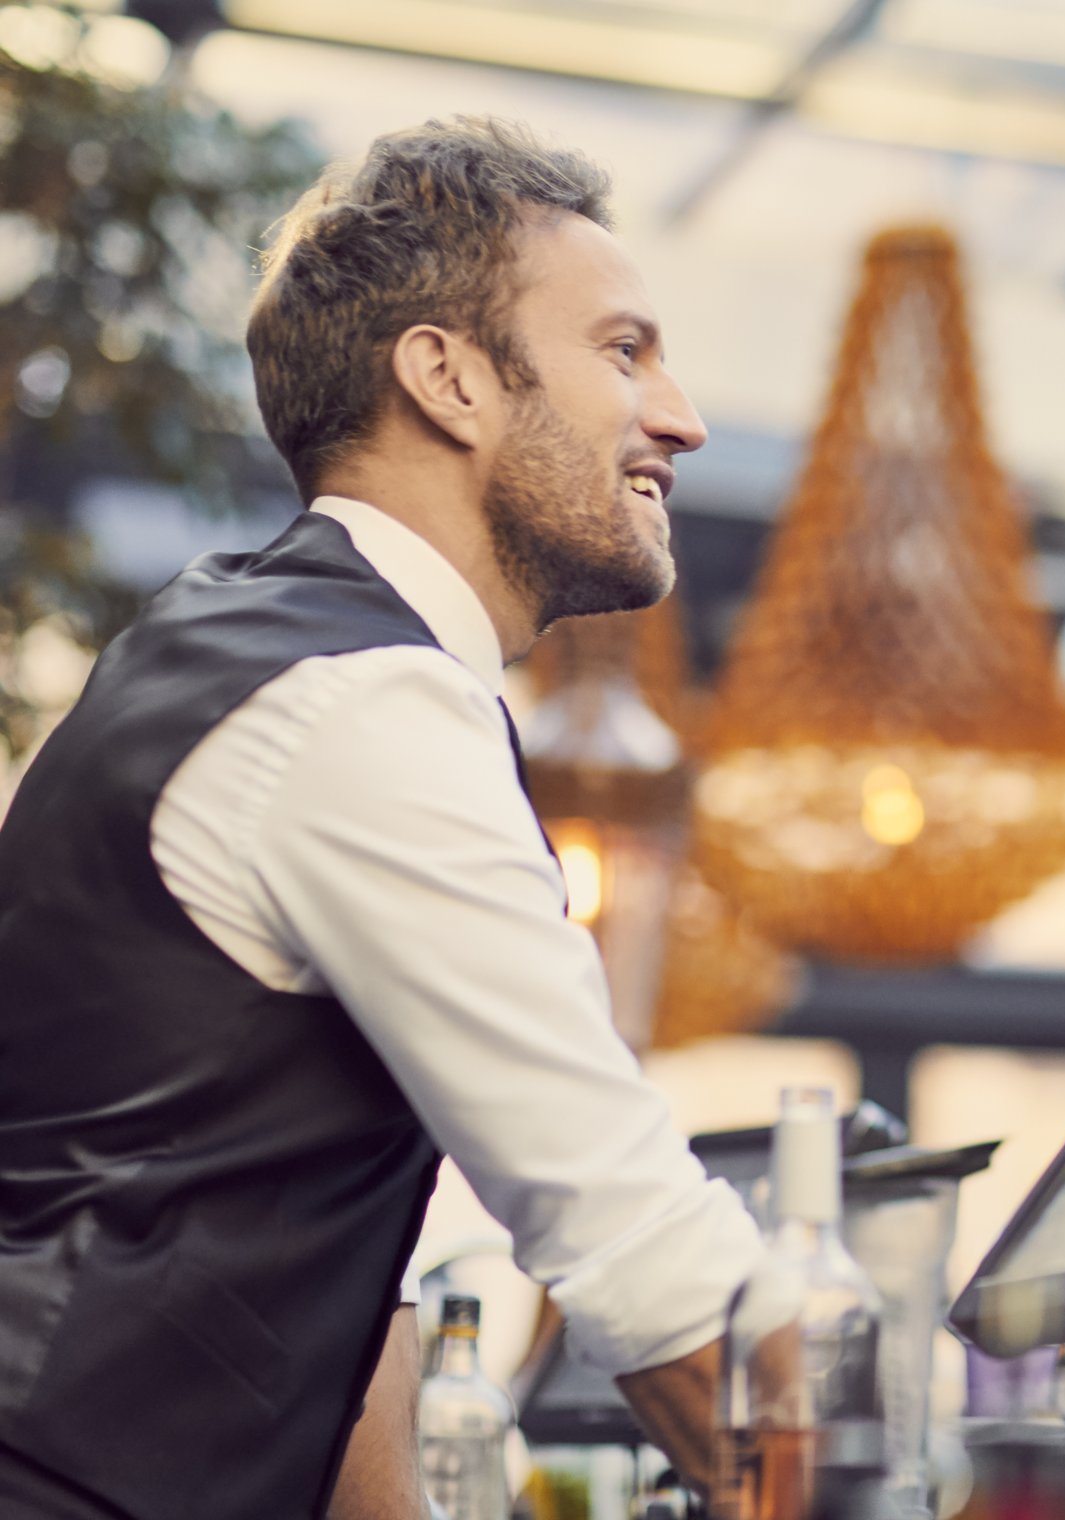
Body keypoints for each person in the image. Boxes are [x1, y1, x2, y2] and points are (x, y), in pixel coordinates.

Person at [0, 119, 755, 1518]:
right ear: (449, 378)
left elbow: (306, 1249)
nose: (681, 417)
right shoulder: (365, 705)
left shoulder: (244, 642)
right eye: (624, 351)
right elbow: (639, 1246)